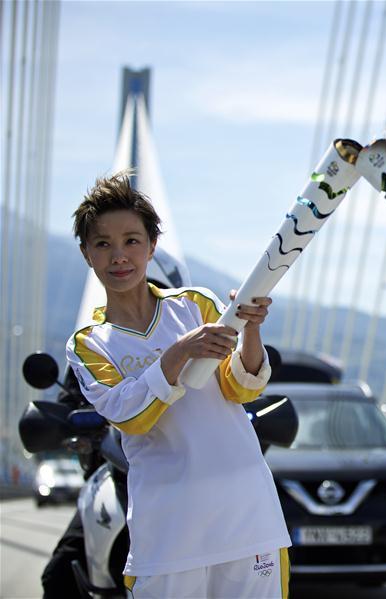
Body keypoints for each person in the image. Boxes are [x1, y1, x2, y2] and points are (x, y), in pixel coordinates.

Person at [66, 172, 290, 598]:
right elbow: (130, 416)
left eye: (132, 241)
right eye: (103, 244)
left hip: (247, 516)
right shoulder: (90, 344)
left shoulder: (195, 305)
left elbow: (240, 388)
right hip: (170, 532)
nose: (119, 256)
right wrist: (179, 352)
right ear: (86, 254)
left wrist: (252, 329)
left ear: (152, 246)